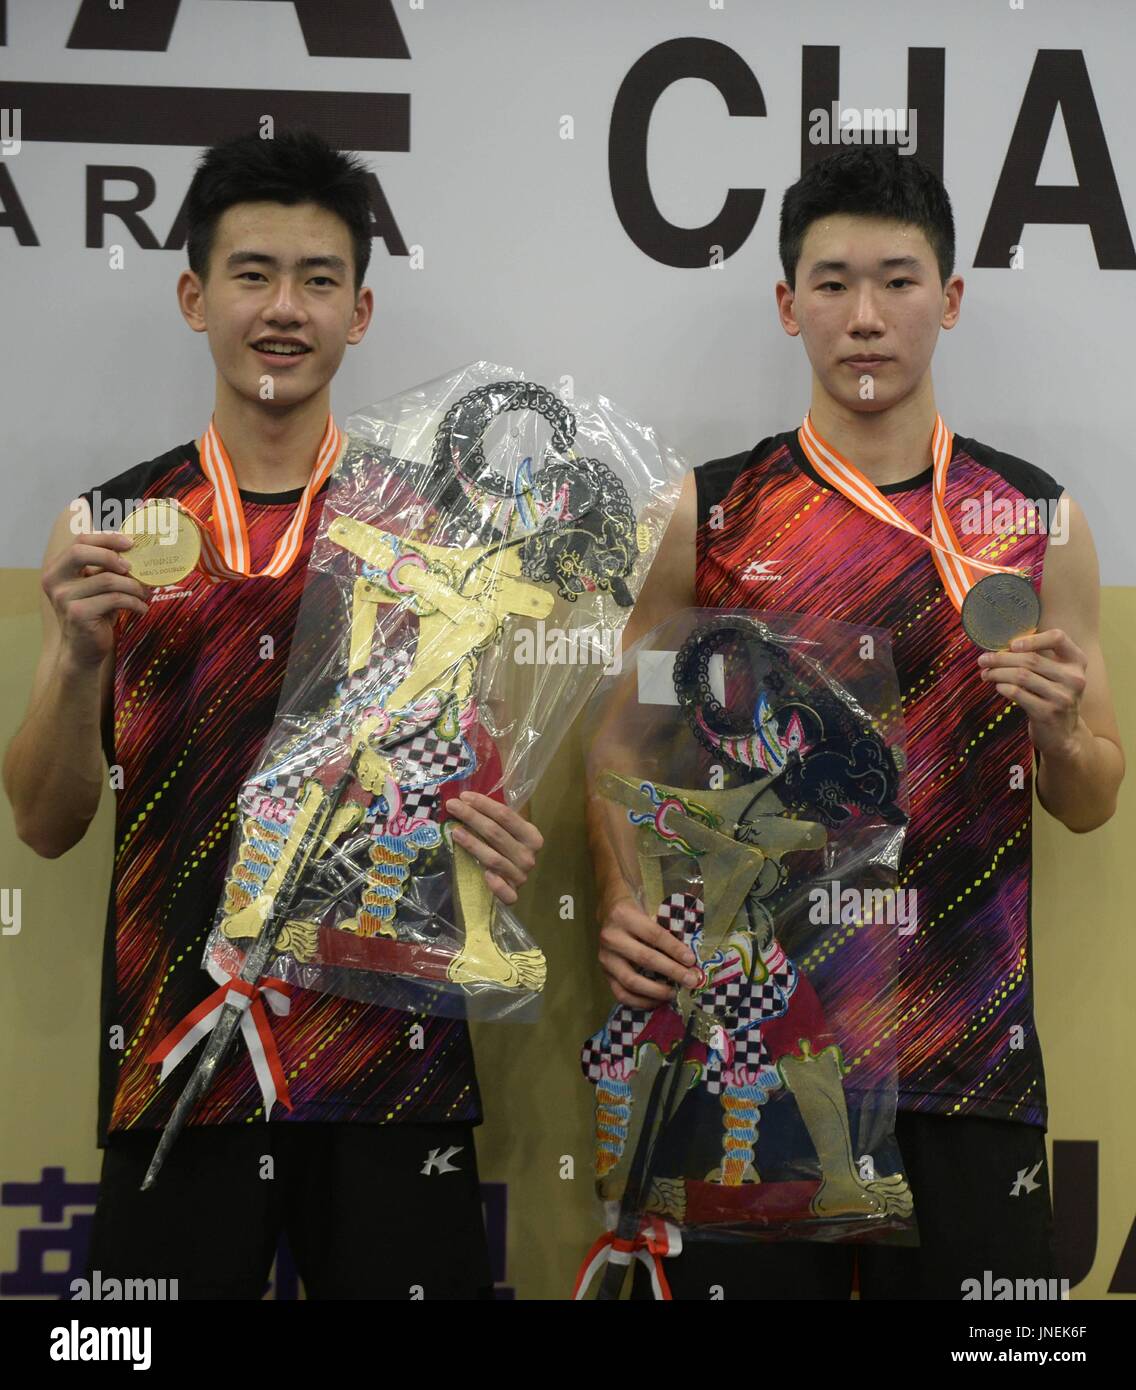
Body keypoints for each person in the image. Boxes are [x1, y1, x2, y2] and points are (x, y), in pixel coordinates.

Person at [3, 129, 544, 1300]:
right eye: (251, 274)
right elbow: (44, 823)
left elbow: (472, 791)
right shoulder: (109, 531)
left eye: (317, 278)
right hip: (178, 1053)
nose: (282, 308)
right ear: (195, 296)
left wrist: (489, 844)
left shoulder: (436, 539)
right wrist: (76, 664)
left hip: (389, 1060)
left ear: (360, 311)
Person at [586, 146, 1124, 1300]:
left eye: (896, 280)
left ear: (950, 298)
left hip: (964, 1044)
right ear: (787, 307)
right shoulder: (712, 510)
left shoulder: (1033, 517)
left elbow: (1087, 797)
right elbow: (621, 747)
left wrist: (1060, 731)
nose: (865, 316)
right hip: (762, 1041)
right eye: (830, 283)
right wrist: (628, 900)